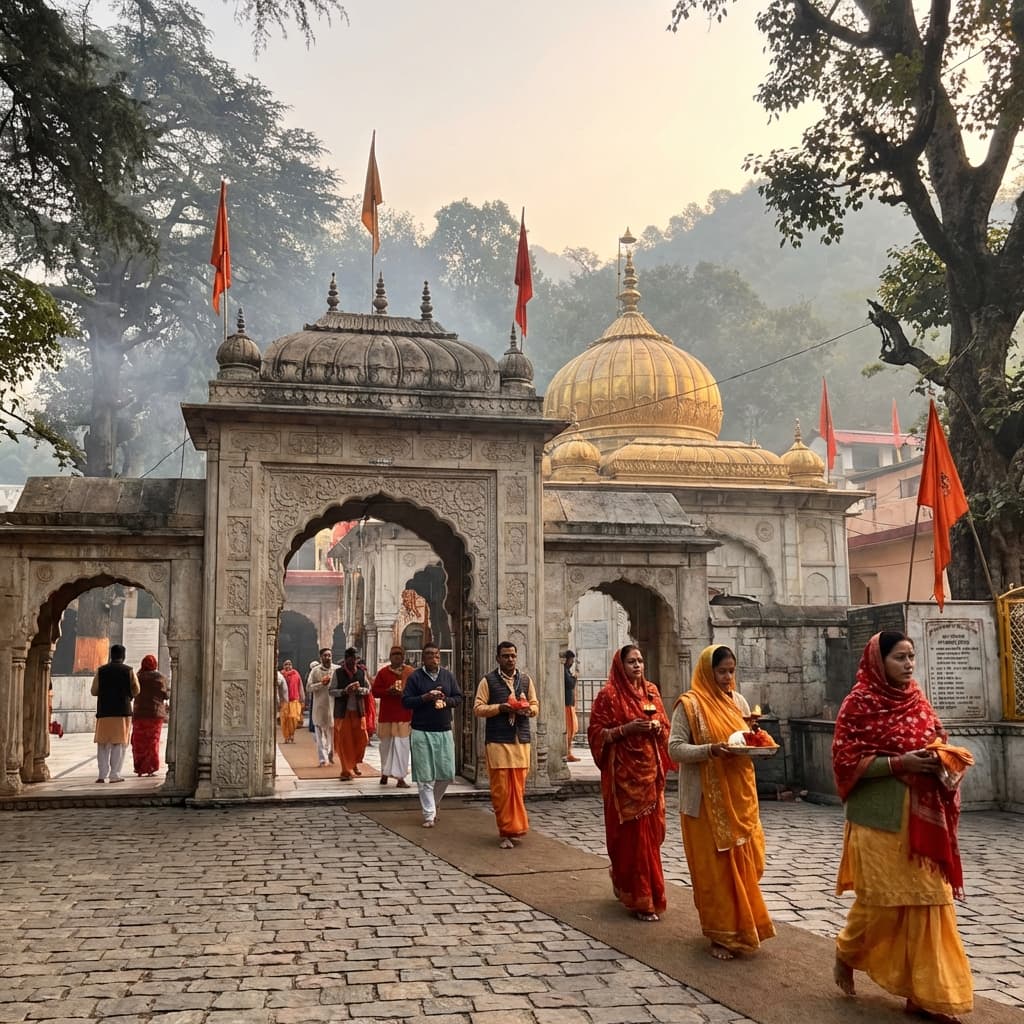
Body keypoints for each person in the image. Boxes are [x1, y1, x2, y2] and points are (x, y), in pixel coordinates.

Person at [832, 631, 973, 1024]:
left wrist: (945, 758)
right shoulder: (858, 704)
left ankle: (928, 995)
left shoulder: (918, 699)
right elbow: (845, 763)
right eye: (900, 658)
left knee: (932, 902)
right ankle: (846, 952)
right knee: (881, 906)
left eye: (911, 657)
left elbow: (936, 737)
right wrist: (899, 764)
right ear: (880, 661)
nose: (908, 665)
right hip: (878, 820)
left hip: (924, 817)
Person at [668, 644, 776, 960]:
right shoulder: (689, 706)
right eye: (721, 672)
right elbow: (674, 749)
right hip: (703, 801)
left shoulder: (738, 701)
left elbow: (745, 740)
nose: (728, 678)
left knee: (746, 865)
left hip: (739, 796)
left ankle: (748, 925)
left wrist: (757, 737)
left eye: (731, 671)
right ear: (706, 671)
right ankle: (720, 934)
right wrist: (709, 750)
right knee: (714, 871)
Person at [587, 644, 671, 922]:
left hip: (650, 775)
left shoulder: (651, 692)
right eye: (631, 661)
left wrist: (657, 727)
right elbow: (597, 733)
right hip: (624, 779)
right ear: (620, 666)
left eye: (641, 660)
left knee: (652, 838)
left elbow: (664, 723)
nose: (637, 666)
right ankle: (640, 898)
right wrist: (627, 729)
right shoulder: (608, 696)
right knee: (630, 841)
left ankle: (646, 891)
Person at [474, 641, 539, 848]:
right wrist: (500, 708)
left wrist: (529, 709)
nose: (510, 659)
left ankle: (517, 829)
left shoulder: (526, 680)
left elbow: (535, 704)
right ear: (498, 658)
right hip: (498, 741)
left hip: (521, 741)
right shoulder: (488, 681)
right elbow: (478, 708)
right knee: (502, 790)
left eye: (512, 656)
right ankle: (505, 832)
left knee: (518, 789)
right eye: (505, 656)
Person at [402, 643, 463, 827]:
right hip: (421, 730)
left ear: (439, 657)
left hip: (443, 729)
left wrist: (446, 701)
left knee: (446, 773)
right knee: (425, 776)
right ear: (423, 657)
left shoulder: (447, 676)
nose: (433, 658)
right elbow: (406, 701)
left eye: (436, 654)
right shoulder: (415, 677)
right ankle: (429, 815)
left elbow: (458, 698)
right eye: (429, 654)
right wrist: (425, 698)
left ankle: (433, 804)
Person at [91, 643, 140, 783]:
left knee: (102, 743)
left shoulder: (101, 670)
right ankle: (115, 774)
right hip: (122, 711)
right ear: (123, 656)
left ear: (111, 655)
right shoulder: (128, 671)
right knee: (119, 744)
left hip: (104, 711)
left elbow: (94, 691)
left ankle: (102, 775)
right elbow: (137, 690)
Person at [372, 645, 414, 787]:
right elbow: (375, 692)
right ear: (390, 657)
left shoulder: (410, 672)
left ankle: (400, 777)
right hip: (387, 715)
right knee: (386, 747)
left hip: (403, 714)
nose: (397, 656)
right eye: (394, 654)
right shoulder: (383, 673)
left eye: (399, 654)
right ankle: (384, 773)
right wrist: (388, 691)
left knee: (402, 747)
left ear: (403, 657)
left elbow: (416, 690)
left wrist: (403, 693)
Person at [329, 647, 371, 780]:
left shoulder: (360, 672)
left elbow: (368, 689)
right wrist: (344, 691)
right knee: (344, 741)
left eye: (355, 659)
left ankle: (354, 763)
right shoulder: (338, 673)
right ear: (346, 659)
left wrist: (360, 691)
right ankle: (346, 770)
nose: (353, 661)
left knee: (362, 739)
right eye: (351, 659)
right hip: (343, 713)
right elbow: (331, 690)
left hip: (358, 712)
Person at [131, 653, 169, 776]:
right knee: (153, 741)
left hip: (139, 713)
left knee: (139, 741)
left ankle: (140, 768)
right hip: (155, 713)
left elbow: (132, 692)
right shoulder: (159, 677)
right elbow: (166, 695)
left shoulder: (138, 676)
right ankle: (151, 767)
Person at [306, 648, 335, 767]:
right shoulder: (315, 671)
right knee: (319, 734)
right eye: (325, 656)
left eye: (329, 655)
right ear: (320, 657)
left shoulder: (336, 669)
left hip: (333, 706)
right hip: (319, 706)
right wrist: (320, 684)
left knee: (331, 733)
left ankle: (330, 753)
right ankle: (322, 759)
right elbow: (308, 687)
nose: (328, 658)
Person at [278, 659, 304, 743]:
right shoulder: (280, 675)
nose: (288, 666)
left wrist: (302, 698)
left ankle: (292, 735)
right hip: (284, 700)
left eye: (289, 664)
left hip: (294, 699)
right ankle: (286, 737)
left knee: (293, 718)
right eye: (286, 664)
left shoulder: (296, 674)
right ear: (283, 666)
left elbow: (300, 686)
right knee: (284, 720)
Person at [563, 650, 580, 762]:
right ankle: (567, 753)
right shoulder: (564, 671)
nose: (572, 662)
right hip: (566, 704)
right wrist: (575, 677)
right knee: (569, 730)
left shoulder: (567, 671)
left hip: (570, 704)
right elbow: (569, 684)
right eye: (571, 659)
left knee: (572, 729)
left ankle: (569, 752)